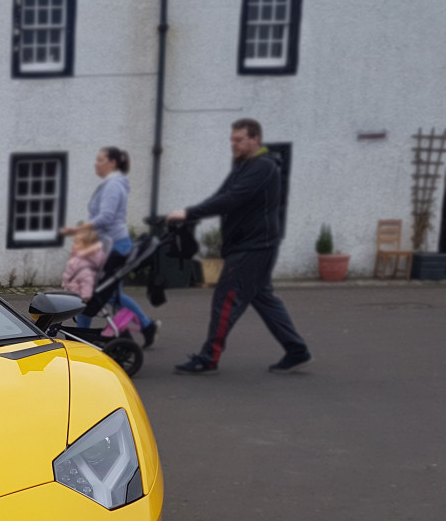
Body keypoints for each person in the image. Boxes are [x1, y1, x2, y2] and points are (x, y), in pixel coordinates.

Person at [166, 118, 311, 374]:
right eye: (232, 139)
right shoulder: (244, 166)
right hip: (251, 245)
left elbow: (233, 199)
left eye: (239, 139)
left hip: (253, 247)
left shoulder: (263, 167)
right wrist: (190, 215)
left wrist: (188, 214)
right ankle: (296, 348)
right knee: (264, 299)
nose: (233, 144)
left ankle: (209, 357)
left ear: (255, 139)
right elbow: (221, 197)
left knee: (226, 300)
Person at [61, 146, 159, 346]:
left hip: (115, 247)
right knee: (95, 293)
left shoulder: (113, 185)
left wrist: (75, 230)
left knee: (106, 295)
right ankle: (81, 336)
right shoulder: (111, 184)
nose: (96, 164)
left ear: (112, 163)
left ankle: (146, 326)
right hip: (106, 246)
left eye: (100, 160)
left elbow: (105, 218)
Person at [61, 224, 106, 304]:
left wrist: (85, 296)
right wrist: (65, 284)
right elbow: (69, 273)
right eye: (74, 242)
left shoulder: (85, 266)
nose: (74, 245)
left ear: (87, 246)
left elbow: (87, 282)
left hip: (78, 296)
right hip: (71, 291)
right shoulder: (78, 258)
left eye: (77, 243)